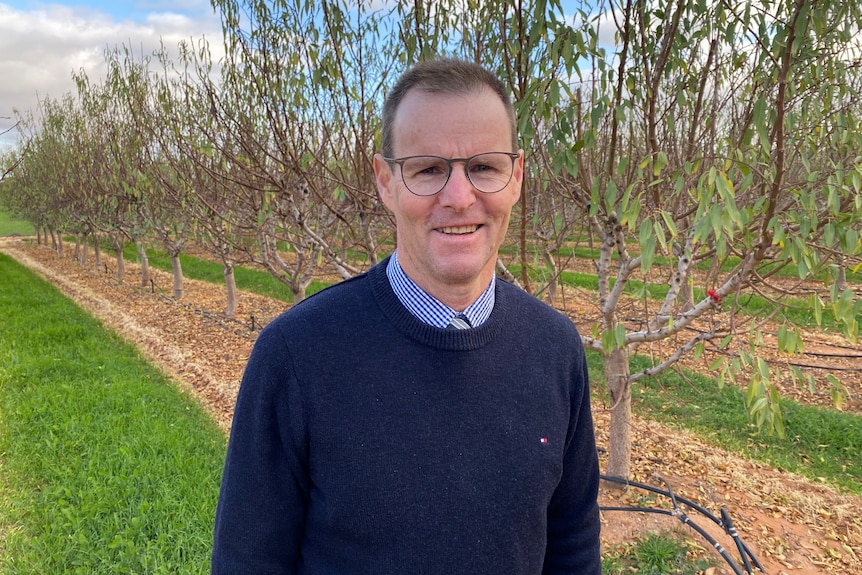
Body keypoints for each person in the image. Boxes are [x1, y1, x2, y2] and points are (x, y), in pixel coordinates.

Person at [211, 57, 601, 574]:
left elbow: (571, 542)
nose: (459, 198)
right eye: (427, 170)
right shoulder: (297, 356)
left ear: (517, 176)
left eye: (484, 167)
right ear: (385, 181)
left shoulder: (556, 348)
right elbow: (248, 563)